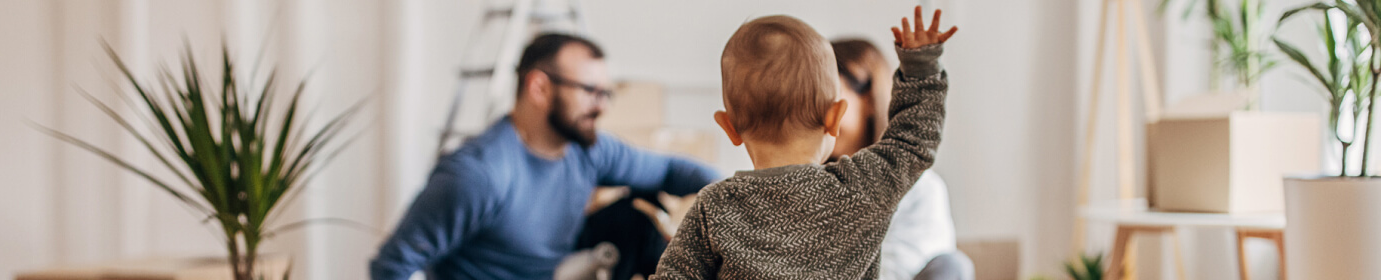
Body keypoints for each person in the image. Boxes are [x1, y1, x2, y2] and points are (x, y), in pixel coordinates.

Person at [369, 33, 724, 280]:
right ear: (538, 87)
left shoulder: (587, 149)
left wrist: (735, 197)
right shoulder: (479, 174)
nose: (600, 107)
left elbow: (669, 170)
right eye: (589, 91)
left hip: (556, 271)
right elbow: (392, 266)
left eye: (605, 94)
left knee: (636, 220)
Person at [652, 6, 956, 279]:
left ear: (729, 127)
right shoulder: (860, 187)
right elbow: (912, 141)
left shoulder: (714, 205)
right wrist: (920, 68)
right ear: (835, 118)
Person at [831, 38, 973, 280]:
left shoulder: (923, 189)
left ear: (868, 99)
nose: (816, 112)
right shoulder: (809, 187)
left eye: (830, 93)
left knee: (953, 266)